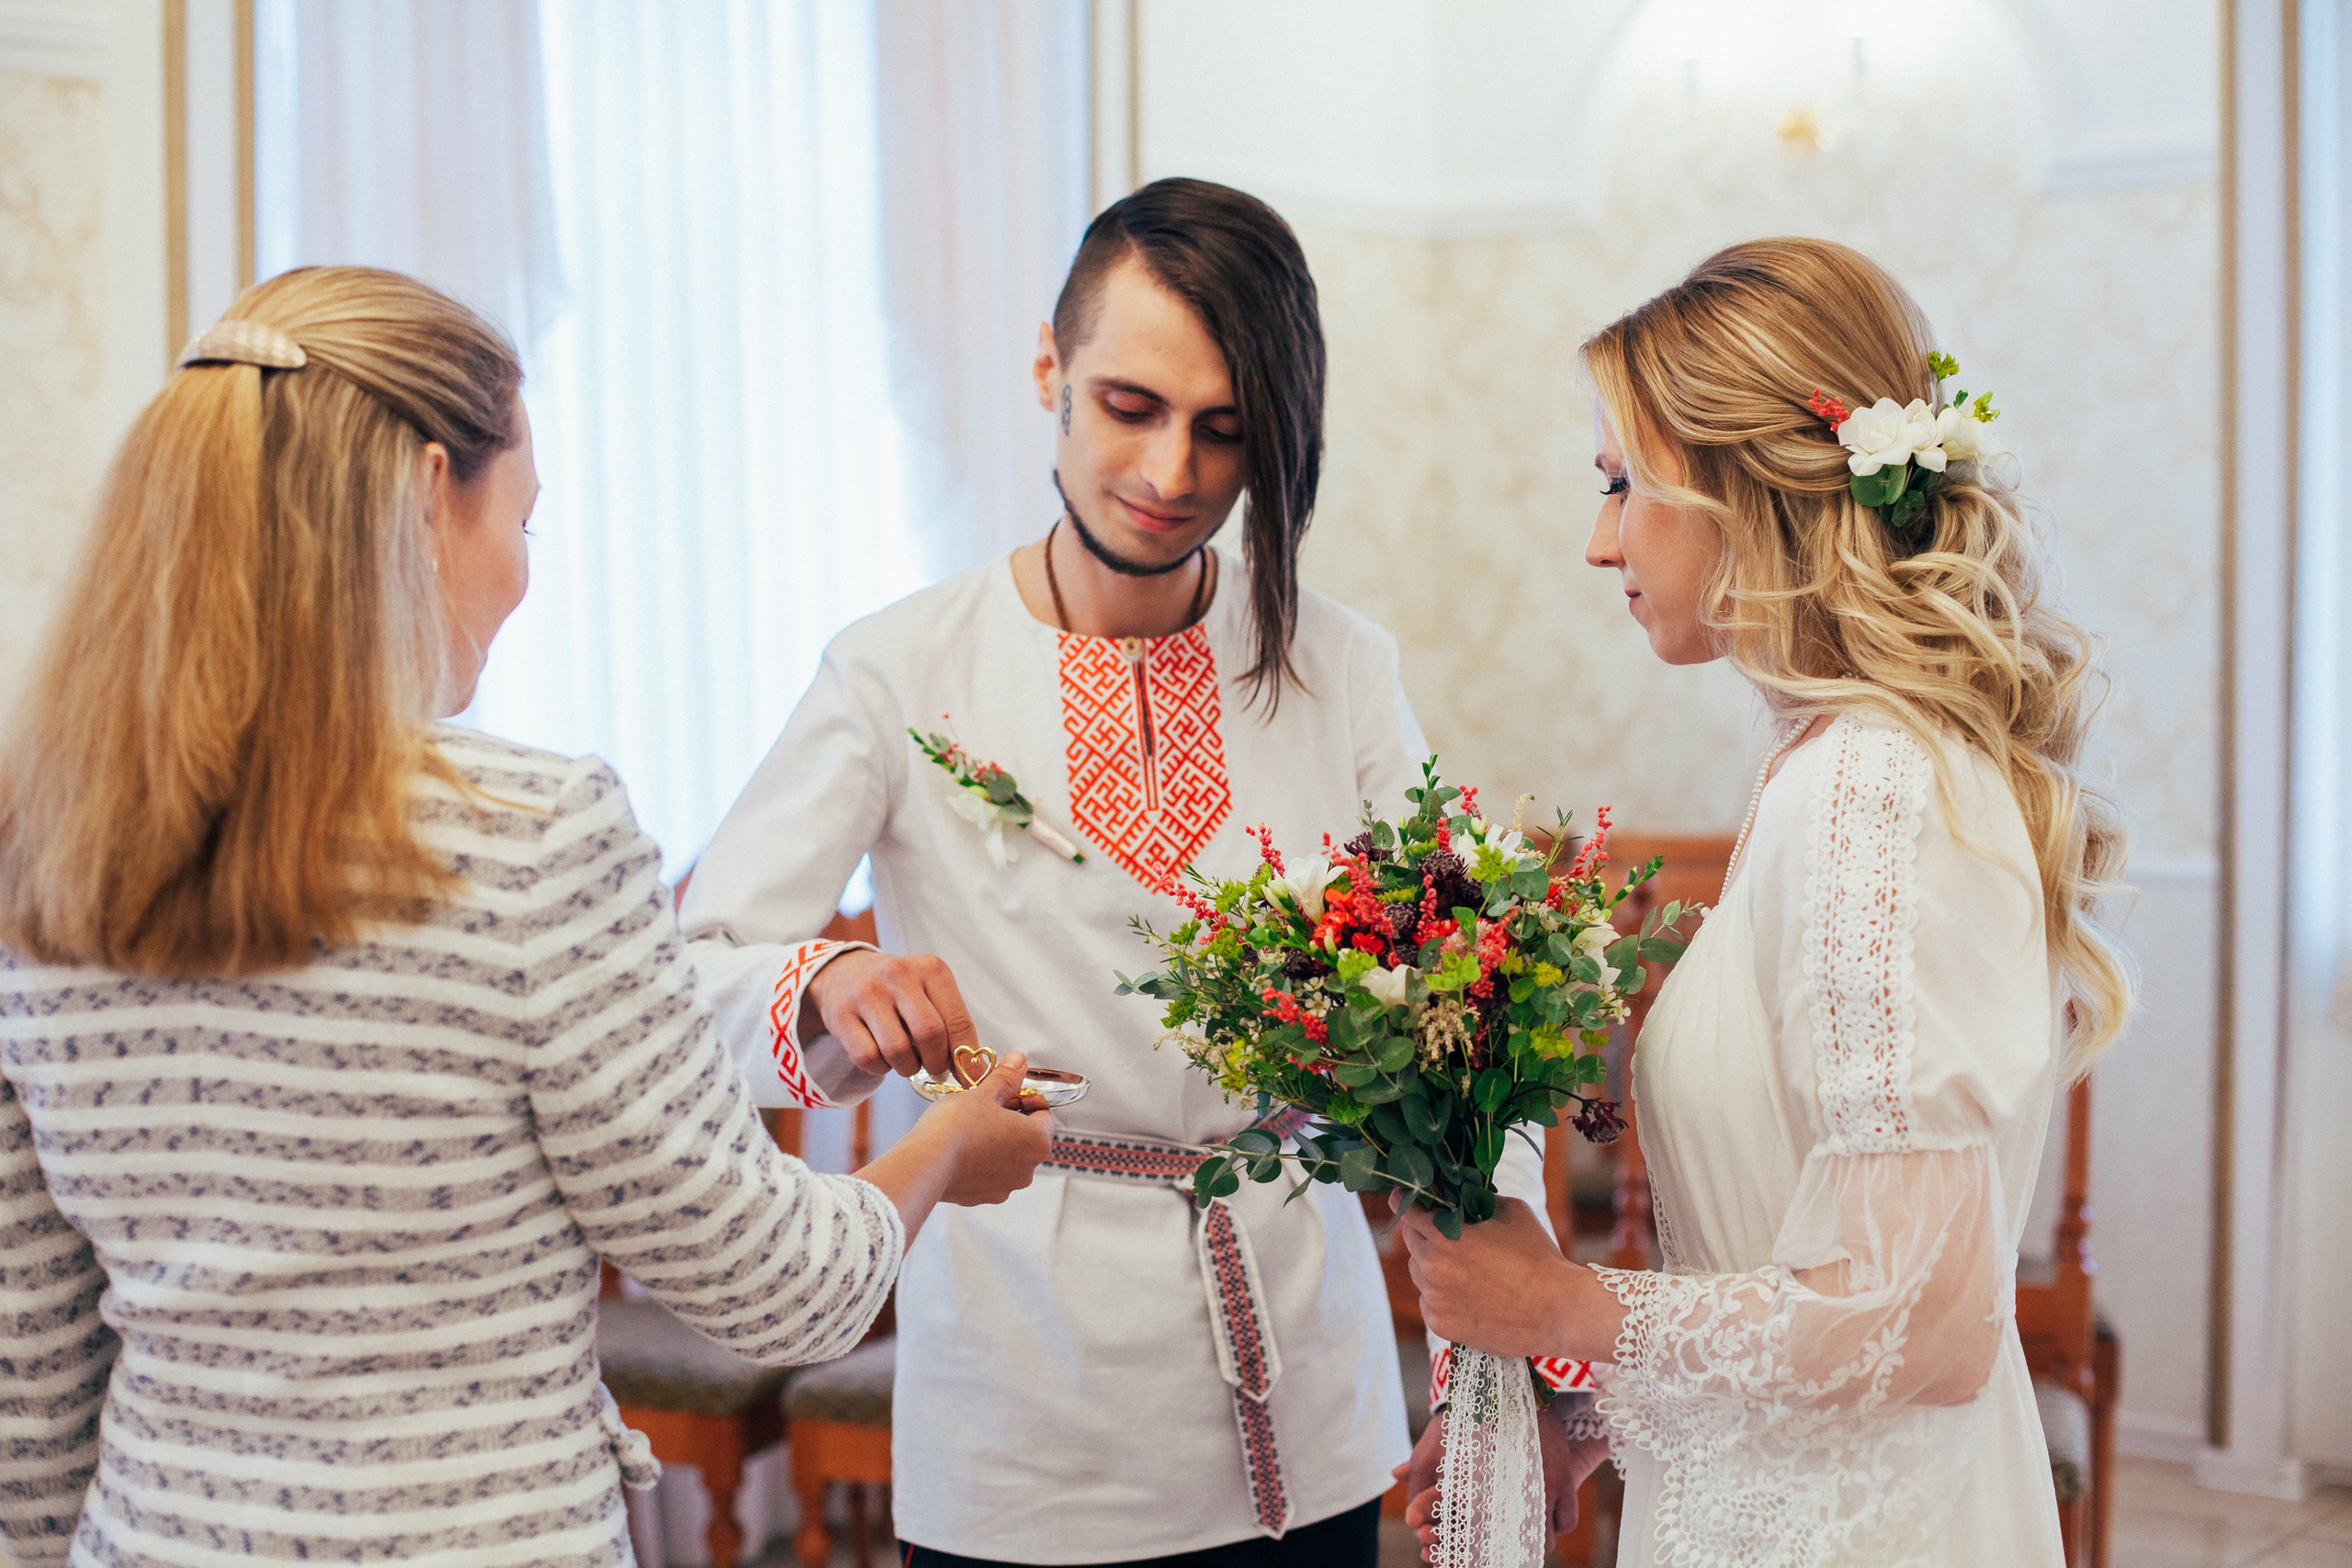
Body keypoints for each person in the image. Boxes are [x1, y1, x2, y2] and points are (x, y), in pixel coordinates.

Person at [0, 267, 1049, 1568]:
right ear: (432, 493)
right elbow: (767, 1281)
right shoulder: (532, 834)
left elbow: (30, 1380)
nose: (520, 579)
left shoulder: (39, 842)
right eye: (526, 524)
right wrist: (946, 1148)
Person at [678, 177, 1585, 1566]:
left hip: (1303, 1377)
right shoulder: (896, 670)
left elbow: (1475, 1009)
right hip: (1022, 1401)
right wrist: (828, 981)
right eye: (1130, 408)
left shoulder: (1338, 669)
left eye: (1224, 433)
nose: (1171, 477)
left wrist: (1507, 1333)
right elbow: (688, 988)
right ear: (1050, 365)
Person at [1396, 237, 2135, 1565]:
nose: (1597, 538)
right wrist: (1604, 1410)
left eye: (1626, 485)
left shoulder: (1871, 784)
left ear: (1742, 489)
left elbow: (1923, 1318)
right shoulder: (1831, 764)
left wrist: (1565, 1309)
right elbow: (1796, 1262)